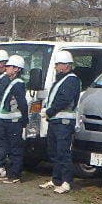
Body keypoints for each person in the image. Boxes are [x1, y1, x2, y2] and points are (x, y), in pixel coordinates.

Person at [39, 49, 80, 192]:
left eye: (58, 64)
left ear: (66, 65)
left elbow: (64, 100)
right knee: (54, 151)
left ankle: (66, 181)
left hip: (64, 121)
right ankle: (56, 179)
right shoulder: (61, 79)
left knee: (63, 151)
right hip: (56, 120)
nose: (56, 67)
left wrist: (49, 111)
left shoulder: (71, 80)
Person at [0, 55, 29, 183]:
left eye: (9, 66)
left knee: (15, 149)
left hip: (14, 121)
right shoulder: (11, 82)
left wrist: (24, 120)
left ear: (16, 69)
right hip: (7, 120)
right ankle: (10, 173)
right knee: (9, 148)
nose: (6, 68)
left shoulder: (18, 84)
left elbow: (22, 103)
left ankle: (15, 175)